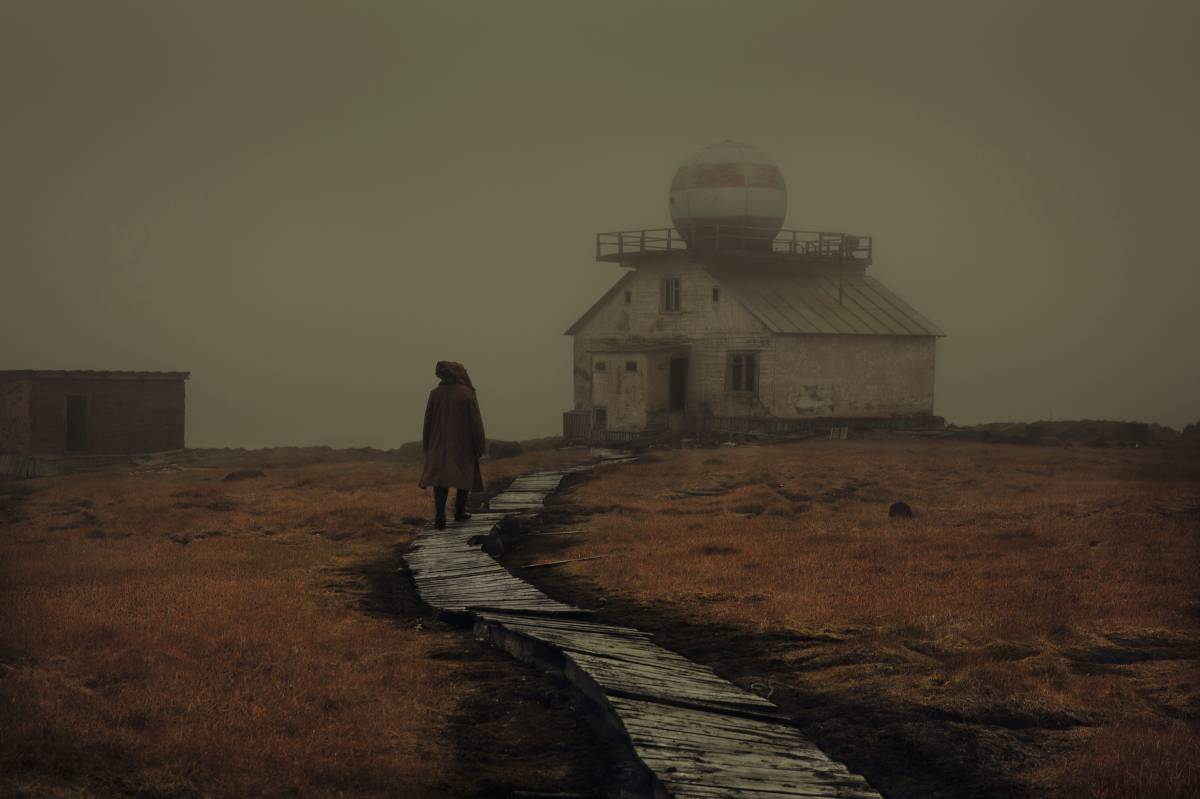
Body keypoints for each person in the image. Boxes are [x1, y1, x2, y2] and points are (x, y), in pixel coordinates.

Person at [419, 361, 485, 529]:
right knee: (464, 477)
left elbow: (427, 420)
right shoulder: (467, 394)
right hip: (462, 444)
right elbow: (475, 422)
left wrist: (427, 444)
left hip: (438, 443)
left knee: (439, 480)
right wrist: (479, 445)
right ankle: (459, 512)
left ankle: (440, 515)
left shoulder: (435, 394)